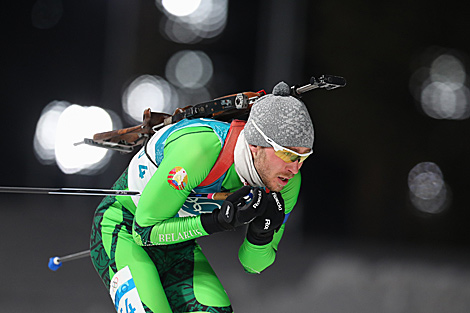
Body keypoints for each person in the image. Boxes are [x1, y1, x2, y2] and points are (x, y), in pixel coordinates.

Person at [89, 81, 315, 313]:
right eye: (287, 154)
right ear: (256, 145)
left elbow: (253, 265)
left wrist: (262, 233)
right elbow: (143, 232)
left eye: (304, 157)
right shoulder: (200, 149)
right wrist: (216, 221)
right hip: (123, 230)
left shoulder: (284, 183)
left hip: (175, 242)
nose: (295, 168)